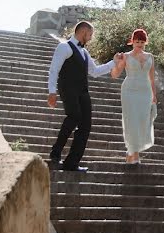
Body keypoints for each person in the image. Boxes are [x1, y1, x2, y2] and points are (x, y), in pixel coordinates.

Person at [47, 21, 123, 172]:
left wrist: (113, 62)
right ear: (83, 32)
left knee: (86, 125)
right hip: (68, 88)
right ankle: (55, 153)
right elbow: (54, 69)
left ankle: (71, 163)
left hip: (82, 91)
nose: (91, 37)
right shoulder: (64, 47)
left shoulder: (84, 52)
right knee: (73, 116)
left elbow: (94, 72)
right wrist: (52, 91)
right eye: (90, 34)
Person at [111, 28, 157, 164]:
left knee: (143, 122)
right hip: (129, 91)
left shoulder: (150, 57)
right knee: (131, 121)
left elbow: (152, 79)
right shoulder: (126, 56)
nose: (139, 44)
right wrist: (117, 63)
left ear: (145, 43)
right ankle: (134, 154)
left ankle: (130, 153)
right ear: (132, 41)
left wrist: (154, 95)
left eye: (142, 42)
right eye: (137, 41)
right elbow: (114, 75)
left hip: (145, 92)